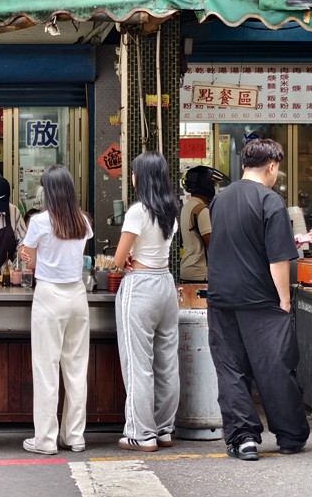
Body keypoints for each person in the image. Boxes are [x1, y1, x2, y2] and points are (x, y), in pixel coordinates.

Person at [206, 138, 309, 461]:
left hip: (221, 297)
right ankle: (290, 435)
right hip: (261, 299)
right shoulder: (271, 201)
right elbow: (278, 260)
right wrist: (285, 300)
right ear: (272, 166)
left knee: (230, 369)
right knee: (274, 367)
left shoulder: (219, 200)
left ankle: (243, 438)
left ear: (243, 165)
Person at [18, 165, 93, 455]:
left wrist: (28, 257)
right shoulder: (84, 222)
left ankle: (46, 440)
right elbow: (76, 259)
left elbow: (31, 263)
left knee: (46, 368)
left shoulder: (39, 222)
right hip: (77, 295)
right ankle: (75, 436)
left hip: (49, 295)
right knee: (76, 369)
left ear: (47, 191)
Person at [112, 151, 180, 452]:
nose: (132, 177)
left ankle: (141, 434)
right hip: (166, 284)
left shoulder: (138, 211)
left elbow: (117, 259)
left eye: (134, 173)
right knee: (167, 362)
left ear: (141, 178)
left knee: (138, 364)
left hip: (140, 286)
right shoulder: (171, 209)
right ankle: (164, 429)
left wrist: (124, 259)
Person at [179, 166, 225, 283]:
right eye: (213, 184)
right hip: (200, 274)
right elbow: (212, 243)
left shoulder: (187, 207)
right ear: (206, 185)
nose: (214, 188)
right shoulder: (202, 210)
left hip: (188, 270)